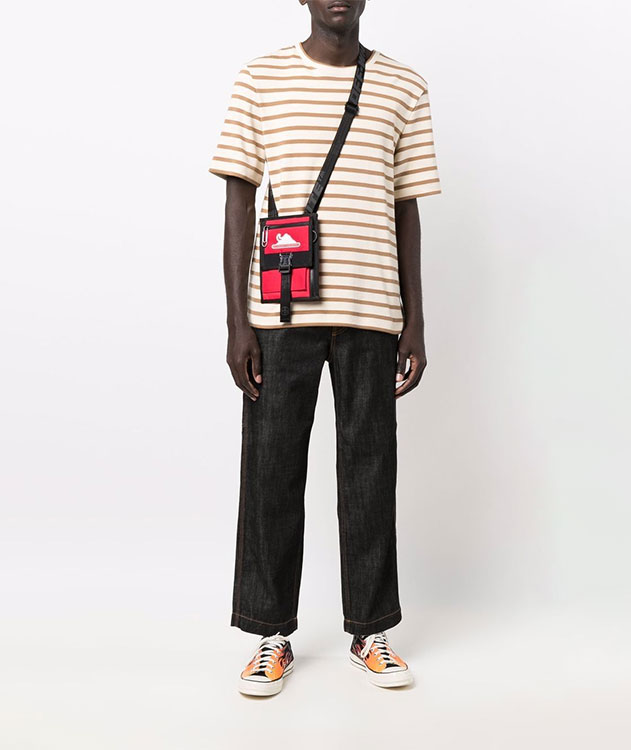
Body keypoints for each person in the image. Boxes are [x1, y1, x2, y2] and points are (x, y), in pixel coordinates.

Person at [208, 0, 442, 696]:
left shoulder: (404, 84)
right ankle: (269, 634)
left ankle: (371, 631)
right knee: (271, 471)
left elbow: (406, 207)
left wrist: (415, 321)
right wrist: (237, 323)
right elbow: (238, 201)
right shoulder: (260, 78)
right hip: (278, 316)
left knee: (369, 473)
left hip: (373, 311)